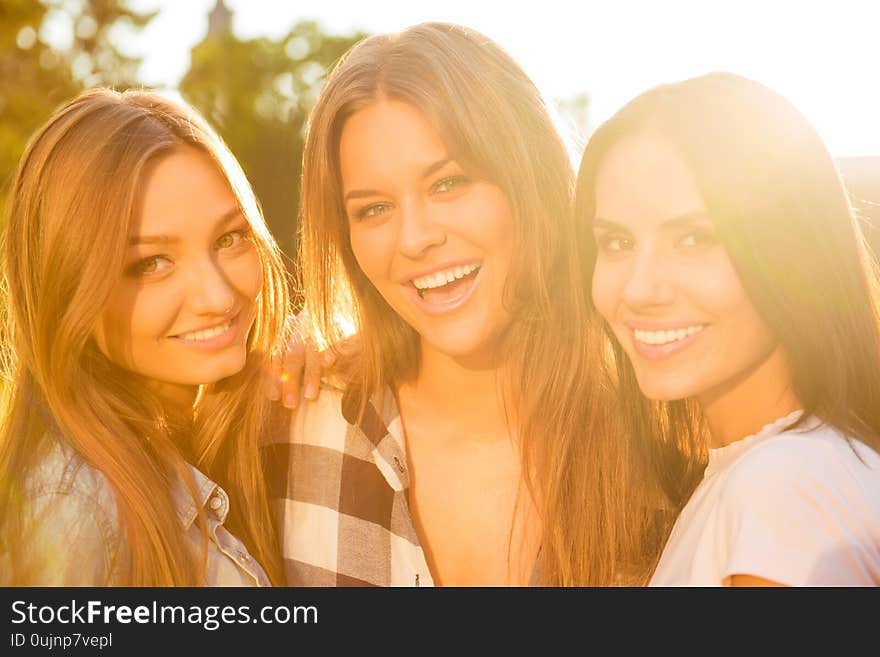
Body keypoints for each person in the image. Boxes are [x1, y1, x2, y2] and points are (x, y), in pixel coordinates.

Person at [264, 22, 654, 586]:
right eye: (373, 209)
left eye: (448, 184)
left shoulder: (658, 444)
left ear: (533, 182)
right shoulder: (289, 431)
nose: (414, 237)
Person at [577, 72, 880, 585]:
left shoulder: (783, 487)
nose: (638, 289)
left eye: (694, 239)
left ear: (793, 254)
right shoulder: (780, 472)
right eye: (617, 243)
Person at [0, 88, 291, 586]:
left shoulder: (227, 430)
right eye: (151, 264)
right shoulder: (72, 512)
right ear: (66, 288)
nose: (217, 297)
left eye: (229, 238)